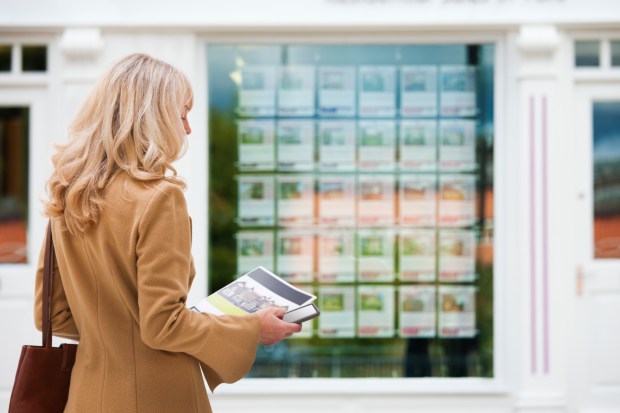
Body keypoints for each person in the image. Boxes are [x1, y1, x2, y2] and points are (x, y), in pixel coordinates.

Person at [34, 53, 301, 413]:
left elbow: (50, 315)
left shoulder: (69, 193)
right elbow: (163, 326)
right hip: (156, 397)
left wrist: (115, 335)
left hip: (86, 396)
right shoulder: (160, 198)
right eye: (181, 114)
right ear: (152, 118)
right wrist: (252, 329)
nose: (188, 128)